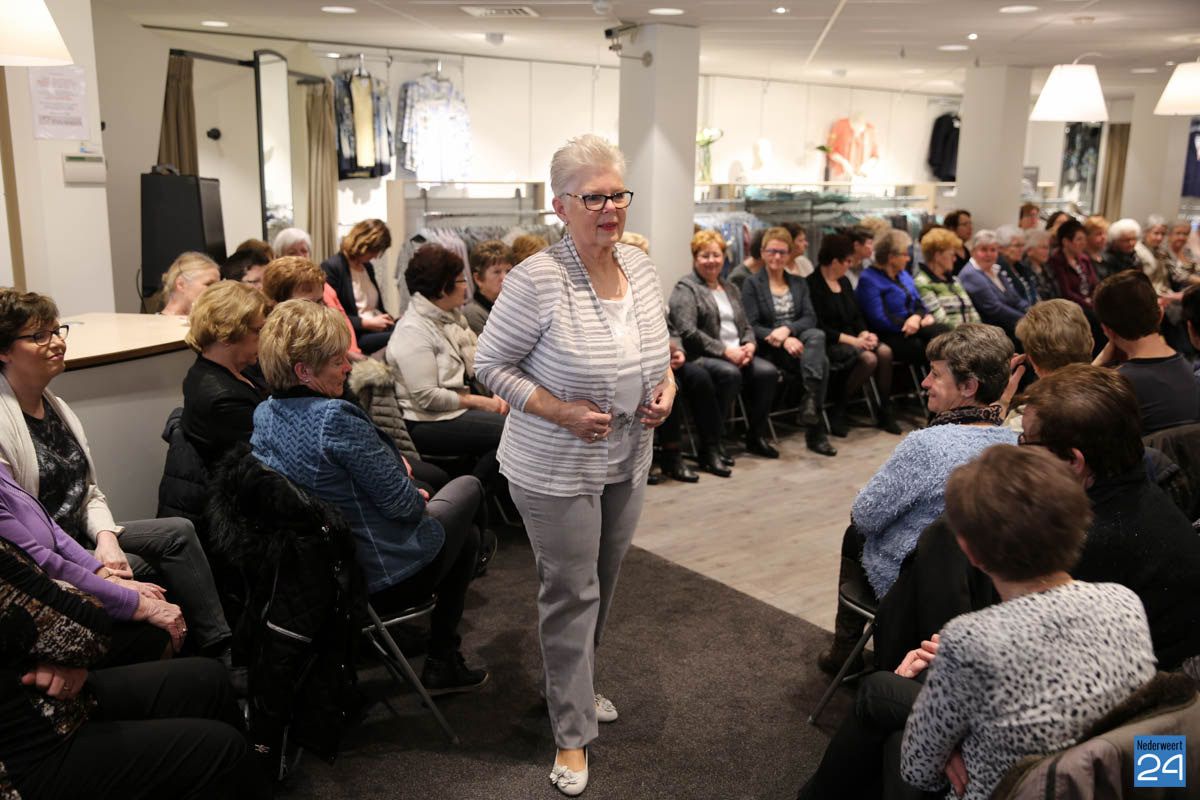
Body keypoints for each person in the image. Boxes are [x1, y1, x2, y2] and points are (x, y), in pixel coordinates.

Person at [474, 134, 674, 796]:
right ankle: (570, 731)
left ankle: (573, 686)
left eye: (617, 194)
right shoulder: (537, 279)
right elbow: (489, 365)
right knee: (571, 592)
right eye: (594, 198)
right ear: (561, 206)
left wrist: (667, 388)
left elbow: (660, 348)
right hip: (554, 464)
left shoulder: (639, 266)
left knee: (603, 584)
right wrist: (559, 410)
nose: (610, 208)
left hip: (628, 455)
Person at [799, 446, 1156, 800]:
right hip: (1100, 779)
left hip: (1009, 788)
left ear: (971, 552)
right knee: (884, 694)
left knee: (892, 728)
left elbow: (919, 769)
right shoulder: (1125, 603)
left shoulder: (972, 638)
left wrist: (949, 742)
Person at [251, 300, 489, 694]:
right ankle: (442, 659)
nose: (348, 367)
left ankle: (443, 657)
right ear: (304, 371)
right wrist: (411, 489)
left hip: (314, 576)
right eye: (337, 361)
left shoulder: (265, 414)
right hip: (377, 573)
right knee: (469, 488)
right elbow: (403, 506)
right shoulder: (334, 419)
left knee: (467, 537)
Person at [0, 289, 232, 658]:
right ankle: (200, 656)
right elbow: (33, 538)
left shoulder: (57, 407)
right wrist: (104, 572)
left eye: (57, 331)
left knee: (178, 531)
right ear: (4, 352)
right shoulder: (4, 422)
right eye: (39, 336)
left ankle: (219, 646)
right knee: (147, 571)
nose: (57, 342)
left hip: (78, 536)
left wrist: (107, 539)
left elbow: (88, 492)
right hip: (52, 551)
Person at [0, 535, 251, 799]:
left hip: (56, 700)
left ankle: (258, 757)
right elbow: (89, 624)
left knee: (209, 678)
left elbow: (51, 545)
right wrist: (64, 649)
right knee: (226, 750)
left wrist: (105, 550)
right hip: (25, 752)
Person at [1022, 364, 1200, 678]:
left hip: (1146, 699)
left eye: (1026, 442)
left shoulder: (1088, 545)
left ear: (1073, 461)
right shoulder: (1140, 493)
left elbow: (1046, 663)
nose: (1019, 451)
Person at [853, 324, 1018, 600]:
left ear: (969, 387)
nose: (925, 382)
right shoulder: (1013, 444)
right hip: (980, 588)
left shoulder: (927, 446)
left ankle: (856, 629)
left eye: (935, 374)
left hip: (914, 585)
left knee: (855, 534)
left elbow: (865, 517)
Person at [0, 463, 185, 665]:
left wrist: (105, 574)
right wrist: (141, 605)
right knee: (155, 636)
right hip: (42, 602)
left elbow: (53, 528)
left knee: (177, 536)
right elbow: (43, 562)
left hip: (61, 575)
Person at [387, 244, 506, 491]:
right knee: (512, 431)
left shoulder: (452, 318)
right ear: (443, 289)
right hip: (428, 421)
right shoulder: (414, 329)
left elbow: (480, 363)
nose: (465, 287)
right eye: (461, 281)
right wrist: (482, 402)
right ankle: (470, 496)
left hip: (456, 409)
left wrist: (498, 391)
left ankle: (481, 495)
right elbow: (428, 396)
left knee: (526, 421)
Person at [671, 229, 779, 465]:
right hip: (703, 355)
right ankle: (713, 440)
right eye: (705, 256)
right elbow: (688, 332)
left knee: (768, 372)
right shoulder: (686, 288)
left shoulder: (730, 287)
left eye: (716, 255)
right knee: (729, 375)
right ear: (695, 259)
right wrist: (725, 351)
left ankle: (755, 435)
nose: (711, 261)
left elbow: (746, 324)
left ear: (723, 257)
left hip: (738, 352)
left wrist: (749, 345)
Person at [741, 226, 836, 456]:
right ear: (763, 252)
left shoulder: (798, 283)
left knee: (817, 335)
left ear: (789, 254)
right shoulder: (752, 284)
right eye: (772, 251)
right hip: (770, 347)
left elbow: (810, 318)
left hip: (800, 344)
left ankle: (810, 403)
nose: (777, 257)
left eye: (782, 252)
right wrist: (783, 339)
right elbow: (751, 324)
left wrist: (788, 330)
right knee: (821, 361)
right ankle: (814, 429)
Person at [807, 232, 900, 435]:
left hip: (853, 338)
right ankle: (839, 408)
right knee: (868, 359)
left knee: (884, 352)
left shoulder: (844, 282)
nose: (850, 265)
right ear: (835, 261)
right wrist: (854, 341)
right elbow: (818, 325)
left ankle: (885, 408)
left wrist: (865, 333)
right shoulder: (812, 284)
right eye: (847, 261)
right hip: (830, 342)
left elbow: (856, 315)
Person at [1093, 271, 1200, 432]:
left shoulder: (1115, 387)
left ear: (1107, 331)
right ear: (1160, 315)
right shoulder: (1189, 370)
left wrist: (1098, 362)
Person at [181, 282, 270, 471]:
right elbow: (269, 456)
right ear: (227, 334)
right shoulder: (223, 400)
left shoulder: (234, 369)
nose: (264, 337)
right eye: (257, 331)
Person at [855, 229, 947, 366]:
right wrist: (914, 325)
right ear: (891, 257)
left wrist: (917, 318)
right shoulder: (868, 279)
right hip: (889, 333)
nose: (908, 259)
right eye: (904, 254)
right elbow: (879, 319)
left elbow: (919, 304)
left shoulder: (903, 274)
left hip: (914, 327)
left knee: (943, 333)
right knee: (923, 346)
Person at [320, 218, 396, 355]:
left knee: (408, 329)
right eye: (374, 251)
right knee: (400, 335)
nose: (375, 256)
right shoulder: (332, 267)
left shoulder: (367, 267)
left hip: (375, 328)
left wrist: (390, 319)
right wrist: (366, 323)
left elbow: (376, 307)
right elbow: (331, 315)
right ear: (362, 244)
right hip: (356, 334)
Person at [957, 230, 1029, 340]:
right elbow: (995, 309)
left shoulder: (996, 269)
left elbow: (1016, 299)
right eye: (984, 249)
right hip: (992, 333)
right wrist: (1026, 320)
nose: (989, 254)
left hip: (1010, 326)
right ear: (973, 251)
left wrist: (1032, 312)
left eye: (993, 250)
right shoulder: (970, 274)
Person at [913, 227, 980, 329]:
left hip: (970, 335)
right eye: (951, 255)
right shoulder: (922, 283)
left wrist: (979, 332)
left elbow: (972, 312)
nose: (954, 259)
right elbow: (941, 320)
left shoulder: (954, 280)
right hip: (951, 337)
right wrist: (969, 335)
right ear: (937, 256)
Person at [463, 239, 514, 336]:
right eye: (497, 272)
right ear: (478, 278)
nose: (505, 277)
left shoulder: (509, 304)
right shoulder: (473, 312)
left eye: (508, 271)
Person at [1047, 218, 1099, 310]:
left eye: (1084, 239)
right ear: (1065, 241)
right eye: (1079, 239)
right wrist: (1091, 307)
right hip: (1072, 308)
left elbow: (1094, 284)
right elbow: (1067, 293)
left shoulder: (1084, 259)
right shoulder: (1056, 261)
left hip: (1090, 304)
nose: (1083, 243)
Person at [158, 252, 221, 317]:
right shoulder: (157, 323)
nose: (217, 291)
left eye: (218, 286)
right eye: (209, 284)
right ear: (181, 285)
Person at [994, 224, 1037, 305]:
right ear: (1001, 248)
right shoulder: (997, 269)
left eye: (1022, 245)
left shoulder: (1020, 266)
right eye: (1017, 246)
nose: (1021, 249)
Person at [1020, 228, 1058, 300]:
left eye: (1048, 247)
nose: (1047, 251)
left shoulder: (1047, 268)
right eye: (1043, 248)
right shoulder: (1023, 270)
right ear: (1029, 250)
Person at [1082, 214, 1111, 279]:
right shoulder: (1082, 259)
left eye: (1105, 233)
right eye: (1098, 234)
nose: (1103, 237)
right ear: (1086, 236)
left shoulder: (1105, 256)